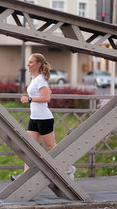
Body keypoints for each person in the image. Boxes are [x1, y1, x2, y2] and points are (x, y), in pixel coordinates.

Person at [11, 53, 75, 181]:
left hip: (44, 118)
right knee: (29, 147)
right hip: (34, 118)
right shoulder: (35, 78)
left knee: (51, 147)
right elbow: (44, 93)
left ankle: (68, 169)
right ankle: (25, 177)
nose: (28, 65)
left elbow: (47, 98)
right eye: (28, 62)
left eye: (31, 62)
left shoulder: (40, 79)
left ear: (38, 64)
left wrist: (29, 99)